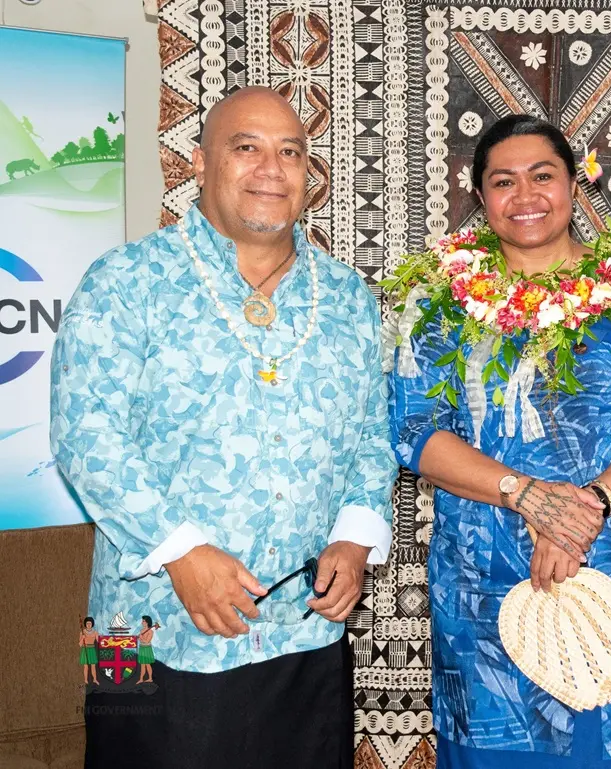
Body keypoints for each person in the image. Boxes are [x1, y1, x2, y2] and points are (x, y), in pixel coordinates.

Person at [51, 86, 397, 769]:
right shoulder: (125, 279)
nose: (272, 168)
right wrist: (179, 550)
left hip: (303, 631)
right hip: (139, 628)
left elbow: (371, 435)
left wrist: (355, 540)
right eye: (247, 148)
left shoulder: (349, 298)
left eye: (291, 152)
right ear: (201, 163)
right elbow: (84, 432)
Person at [387, 115, 611, 768]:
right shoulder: (440, 306)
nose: (524, 195)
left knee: (596, 748)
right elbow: (415, 430)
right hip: (478, 589)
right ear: (479, 198)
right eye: (503, 181)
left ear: (576, 188)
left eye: (542, 176)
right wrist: (527, 495)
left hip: (601, 572)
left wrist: (582, 509)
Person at [136, 615, 160, 684]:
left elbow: (147, 641)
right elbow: (141, 640)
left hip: (147, 649)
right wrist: (139, 637)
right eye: (142, 621)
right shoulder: (142, 630)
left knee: (147, 664)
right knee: (142, 665)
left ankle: (150, 678)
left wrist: (141, 637)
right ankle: (141, 679)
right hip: (142, 648)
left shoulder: (150, 632)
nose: (142, 622)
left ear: (147, 622)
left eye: (143, 621)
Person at [79, 616, 99, 685]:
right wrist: (82, 638)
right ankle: (85, 680)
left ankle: (95, 679)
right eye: (87, 623)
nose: (88, 625)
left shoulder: (95, 632)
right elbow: (80, 644)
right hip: (85, 649)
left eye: (90, 623)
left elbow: (99, 641)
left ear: (92, 624)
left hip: (92, 649)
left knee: (93, 666)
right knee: (86, 666)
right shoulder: (82, 632)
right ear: (85, 624)